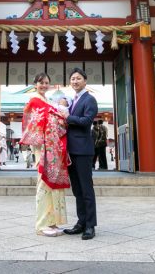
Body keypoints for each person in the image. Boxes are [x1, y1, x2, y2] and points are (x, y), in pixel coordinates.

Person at [20, 72, 70, 237]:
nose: (43, 85)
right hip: (43, 148)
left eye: (46, 82)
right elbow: (33, 123)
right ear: (35, 84)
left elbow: (55, 119)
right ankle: (41, 225)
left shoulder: (48, 101)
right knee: (43, 185)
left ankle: (52, 222)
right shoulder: (34, 100)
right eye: (40, 82)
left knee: (52, 185)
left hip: (53, 148)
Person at [63, 67, 98, 240]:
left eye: (78, 78)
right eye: (72, 79)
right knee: (77, 189)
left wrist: (67, 117)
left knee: (86, 189)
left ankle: (90, 225)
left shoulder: (89, 99)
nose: (75, 81)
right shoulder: (72, 100)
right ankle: (81, 222)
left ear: (85, 81)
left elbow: (86, 121)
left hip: (83, 151)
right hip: (71, 151)